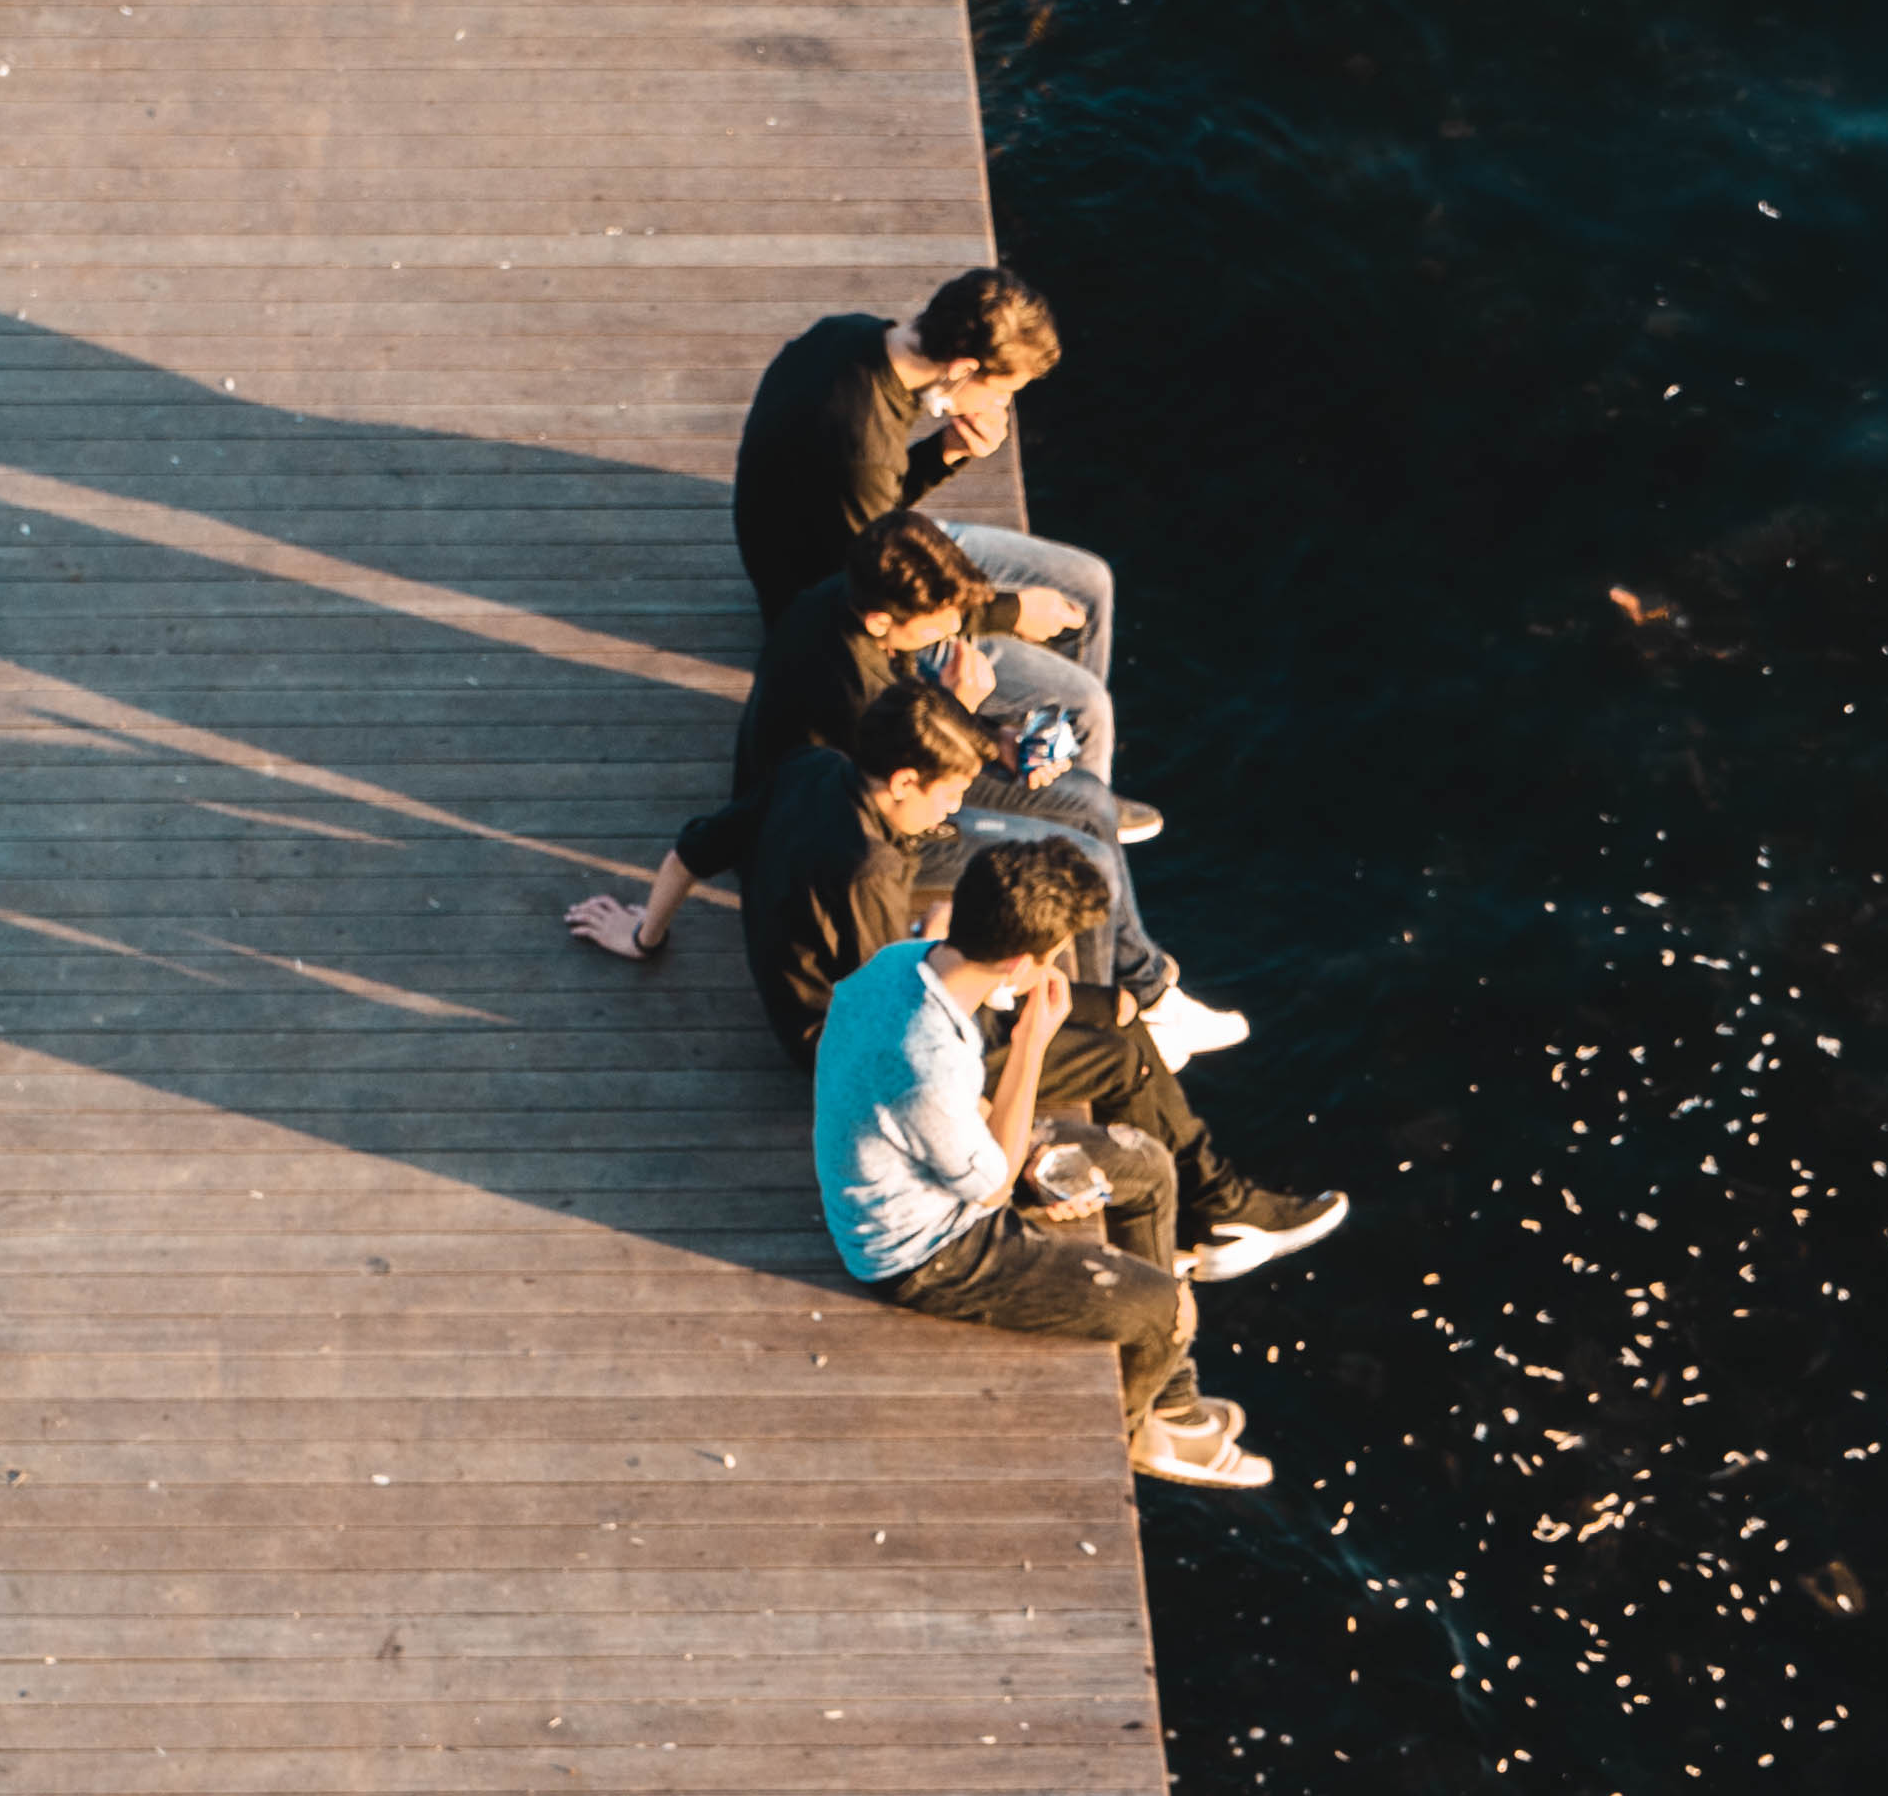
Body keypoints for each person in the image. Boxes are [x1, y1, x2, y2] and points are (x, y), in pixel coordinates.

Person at [565, 686, 1347, 1279]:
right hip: (843, 1037)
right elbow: (905, 1021)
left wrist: (644, 934)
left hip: (832, 999)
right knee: (1127, 1049)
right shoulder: (868, 872)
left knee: (1107, 1010)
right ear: (904, 781)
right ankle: (1218, 1210)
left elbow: (698, 846)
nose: (954, 810)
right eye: (947, 792)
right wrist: (1013, 1108)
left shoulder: (813, 770)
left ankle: (1177, 1162)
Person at [813, 838, 1275, 1490]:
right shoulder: (926, 1062)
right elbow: (993, 1184)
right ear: (1020, 963)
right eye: (1053, 955)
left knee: (1146, 1167)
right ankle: (1135, 1432)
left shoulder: (900, 965)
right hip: (925, 1252)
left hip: (941, 1162)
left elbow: (954, 1109)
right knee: (1171, 1311)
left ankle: (1172, 1398)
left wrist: (1030, 1161)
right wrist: (1033, 1038)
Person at [714, 513, 1243, 1066]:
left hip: (895, 777)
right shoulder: (852, 686)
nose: (949, 632)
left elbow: (917, 720)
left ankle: (1149, 990)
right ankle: (1117, 1008)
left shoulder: (848, 601)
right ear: (881, 621)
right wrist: (960, 709)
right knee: (1087, 858)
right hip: (865, 820)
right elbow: (903, 779)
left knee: (1088, 799)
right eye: (936, 626)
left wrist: (995, 739)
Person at [730, 266, 1146, 825]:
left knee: (1089, 582)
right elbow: (883, 582)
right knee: (1085, 703)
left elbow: (874, 502)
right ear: (964, 368)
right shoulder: (863, 443)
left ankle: (1051, 757)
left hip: (856, 539)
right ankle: (1072, 809)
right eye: (1003, 391)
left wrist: (949, 449)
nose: (1002, 405)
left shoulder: (847, 334)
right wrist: (1010, 613)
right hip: (844, 602)